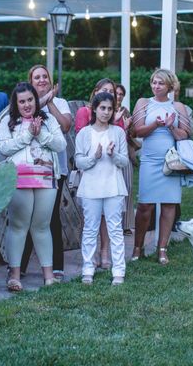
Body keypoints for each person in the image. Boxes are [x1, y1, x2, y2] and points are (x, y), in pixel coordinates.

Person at [0, 82, 67, 292]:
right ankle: (15, 275)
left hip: (46, 180)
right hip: (19, 179)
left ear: (35, 101)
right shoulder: (7, 122)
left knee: (42, 226)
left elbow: (61, 144)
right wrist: (28, 135)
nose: (27, 105)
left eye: (30, 100)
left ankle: (48, 276)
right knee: (18, 226)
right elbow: (4, 148)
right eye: (22, 101)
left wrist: (40, 135)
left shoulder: (48, 121)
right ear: (15, 103)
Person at [131, 68, 193, 265]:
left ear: (169, 86)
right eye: (153, 82)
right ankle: (137, 247)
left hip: (171, 162)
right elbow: (136, 131)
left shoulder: (178, 107)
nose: (156, 86)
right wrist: (155, 126)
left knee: (169, 205)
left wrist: (171, 127)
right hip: (150, 161)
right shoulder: (143, 103)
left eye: (160, 83)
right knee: (144, 205)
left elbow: (185, 135)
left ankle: (162, 249)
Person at [20, 65, 72, 280]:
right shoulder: (26, 101)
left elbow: (66, 126)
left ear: (50, 80)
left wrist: (50, 101)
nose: (41, 80)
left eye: (44, 76)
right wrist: (40, 101)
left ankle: (56, 266)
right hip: (28, 168)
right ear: (30, 82)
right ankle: (19, 266)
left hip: (54, 169)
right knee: (26, 216)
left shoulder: (60, 103)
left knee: (50, 217)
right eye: (37, 77)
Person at [75, 92, 129, 285]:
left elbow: (124, 161)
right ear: (95, 109)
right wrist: (94, 157)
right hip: (91, 187)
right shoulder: (84, 133)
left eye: (109, 109)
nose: (106, 112)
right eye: (102, 108)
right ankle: (87, 268)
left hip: (113, 186)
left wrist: (113, 155)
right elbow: (79, 161)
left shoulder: (118, 132)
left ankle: (119, 270)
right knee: (90, 228)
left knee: (115, 229)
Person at [115, 84, 137, 235]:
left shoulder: (126, 111)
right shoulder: (106, 109)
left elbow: (133, 132)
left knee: (128, 187)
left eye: (122, 94)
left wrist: (128, 126)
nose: (119, 96)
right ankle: (115, 223)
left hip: (125, 152)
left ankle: (127, 224)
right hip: (110, 154)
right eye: (117, 93)